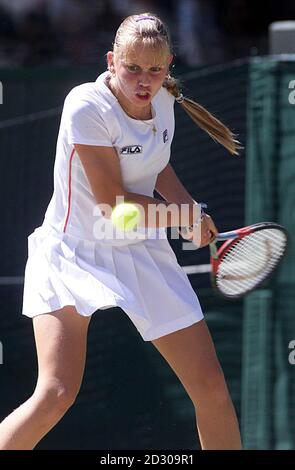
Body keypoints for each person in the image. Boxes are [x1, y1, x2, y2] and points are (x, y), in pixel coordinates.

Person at [0, 12, 242, 450]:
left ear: (169, 68)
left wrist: (185, 207)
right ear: (112, 61)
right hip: (72, 252)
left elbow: (156, 161)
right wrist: (185, 217)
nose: (143, 80)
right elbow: (113, 208)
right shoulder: (85, 105)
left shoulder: (166, 100)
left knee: (211, 389)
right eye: (132, 68)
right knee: (56, 394)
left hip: (142, 251)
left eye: (155, 69)